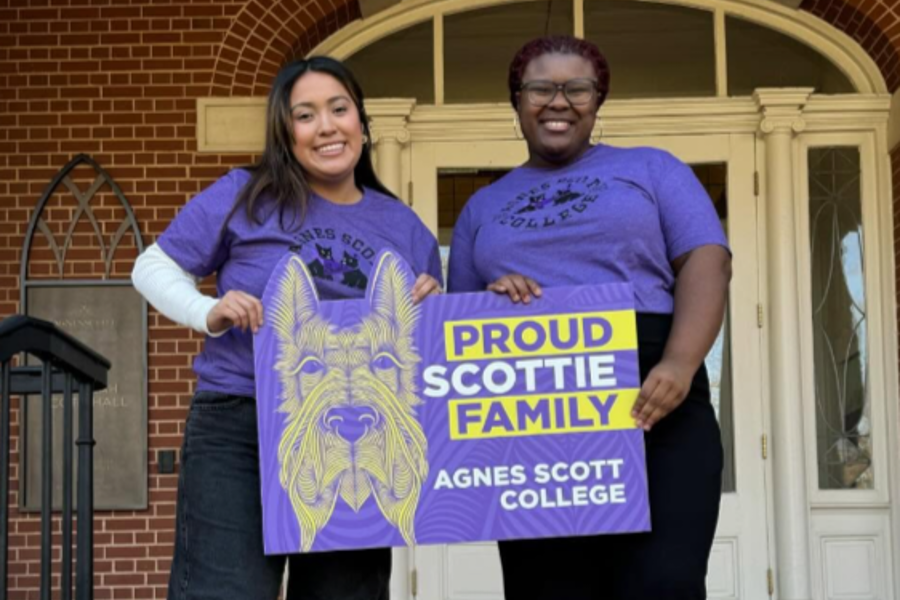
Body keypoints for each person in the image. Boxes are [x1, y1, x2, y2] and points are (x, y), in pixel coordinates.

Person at [132, 56, 442, 600]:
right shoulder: (245, 194)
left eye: (339, 109)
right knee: (225, 590)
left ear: (362, 126)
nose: (326, 126)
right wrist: (208, 310)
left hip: (361, 429)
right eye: (305, 115)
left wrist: (432, 307)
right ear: (287, 133)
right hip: (243, 424)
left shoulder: (405, 228)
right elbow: (152, 267)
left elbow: (428, 351)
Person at [448, 35, 731, 600]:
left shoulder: (651, 169)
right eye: (539, 89)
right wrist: (493, 299)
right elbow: (458, 327)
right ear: (516, 100)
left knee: (664, 583)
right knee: (551, 589)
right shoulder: (482, 206)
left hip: (654, 400)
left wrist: (680, 361)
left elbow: (707, 258)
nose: (558, 102)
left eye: (576, 88)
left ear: (598, 100)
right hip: (534, 417)